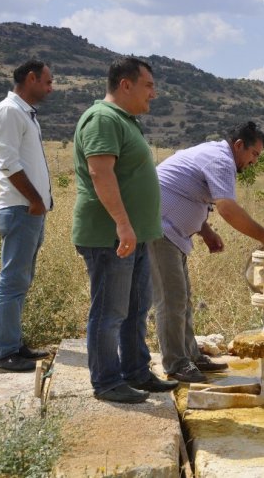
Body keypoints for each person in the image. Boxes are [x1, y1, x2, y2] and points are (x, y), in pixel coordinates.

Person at [72, 57, 178, 403]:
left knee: (135, 308)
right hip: (111, 237)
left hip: (134, 236)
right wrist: (122, 224)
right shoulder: (102, 119)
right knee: (110, 312)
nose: (154, 93)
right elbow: (101, 174)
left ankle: (136, 372)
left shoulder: (125, 121)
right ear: (125, 85)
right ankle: (106, 382)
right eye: (148, 85)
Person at [149, 121, 264, 383]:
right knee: (171, 300)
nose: (254, 161)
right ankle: (176, 364)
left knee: (183, 299)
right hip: (158, 229)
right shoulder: (221, 160)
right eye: (254, 154)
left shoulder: (216, 155)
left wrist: (205, 231)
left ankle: (191, 356)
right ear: (239, 145)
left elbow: (187, 192)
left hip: (172, 232)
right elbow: (227, 208)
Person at [0, 60, 53, 372]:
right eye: (46, 81)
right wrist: (34, 200)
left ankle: (13, 343)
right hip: (21, 208)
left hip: (29, 209)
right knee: (12, 280)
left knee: (21, 280)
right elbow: (6, 162)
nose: (50, 88)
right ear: (30, 78)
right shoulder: (8, 111)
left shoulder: (24, 112)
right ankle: (3, 352)